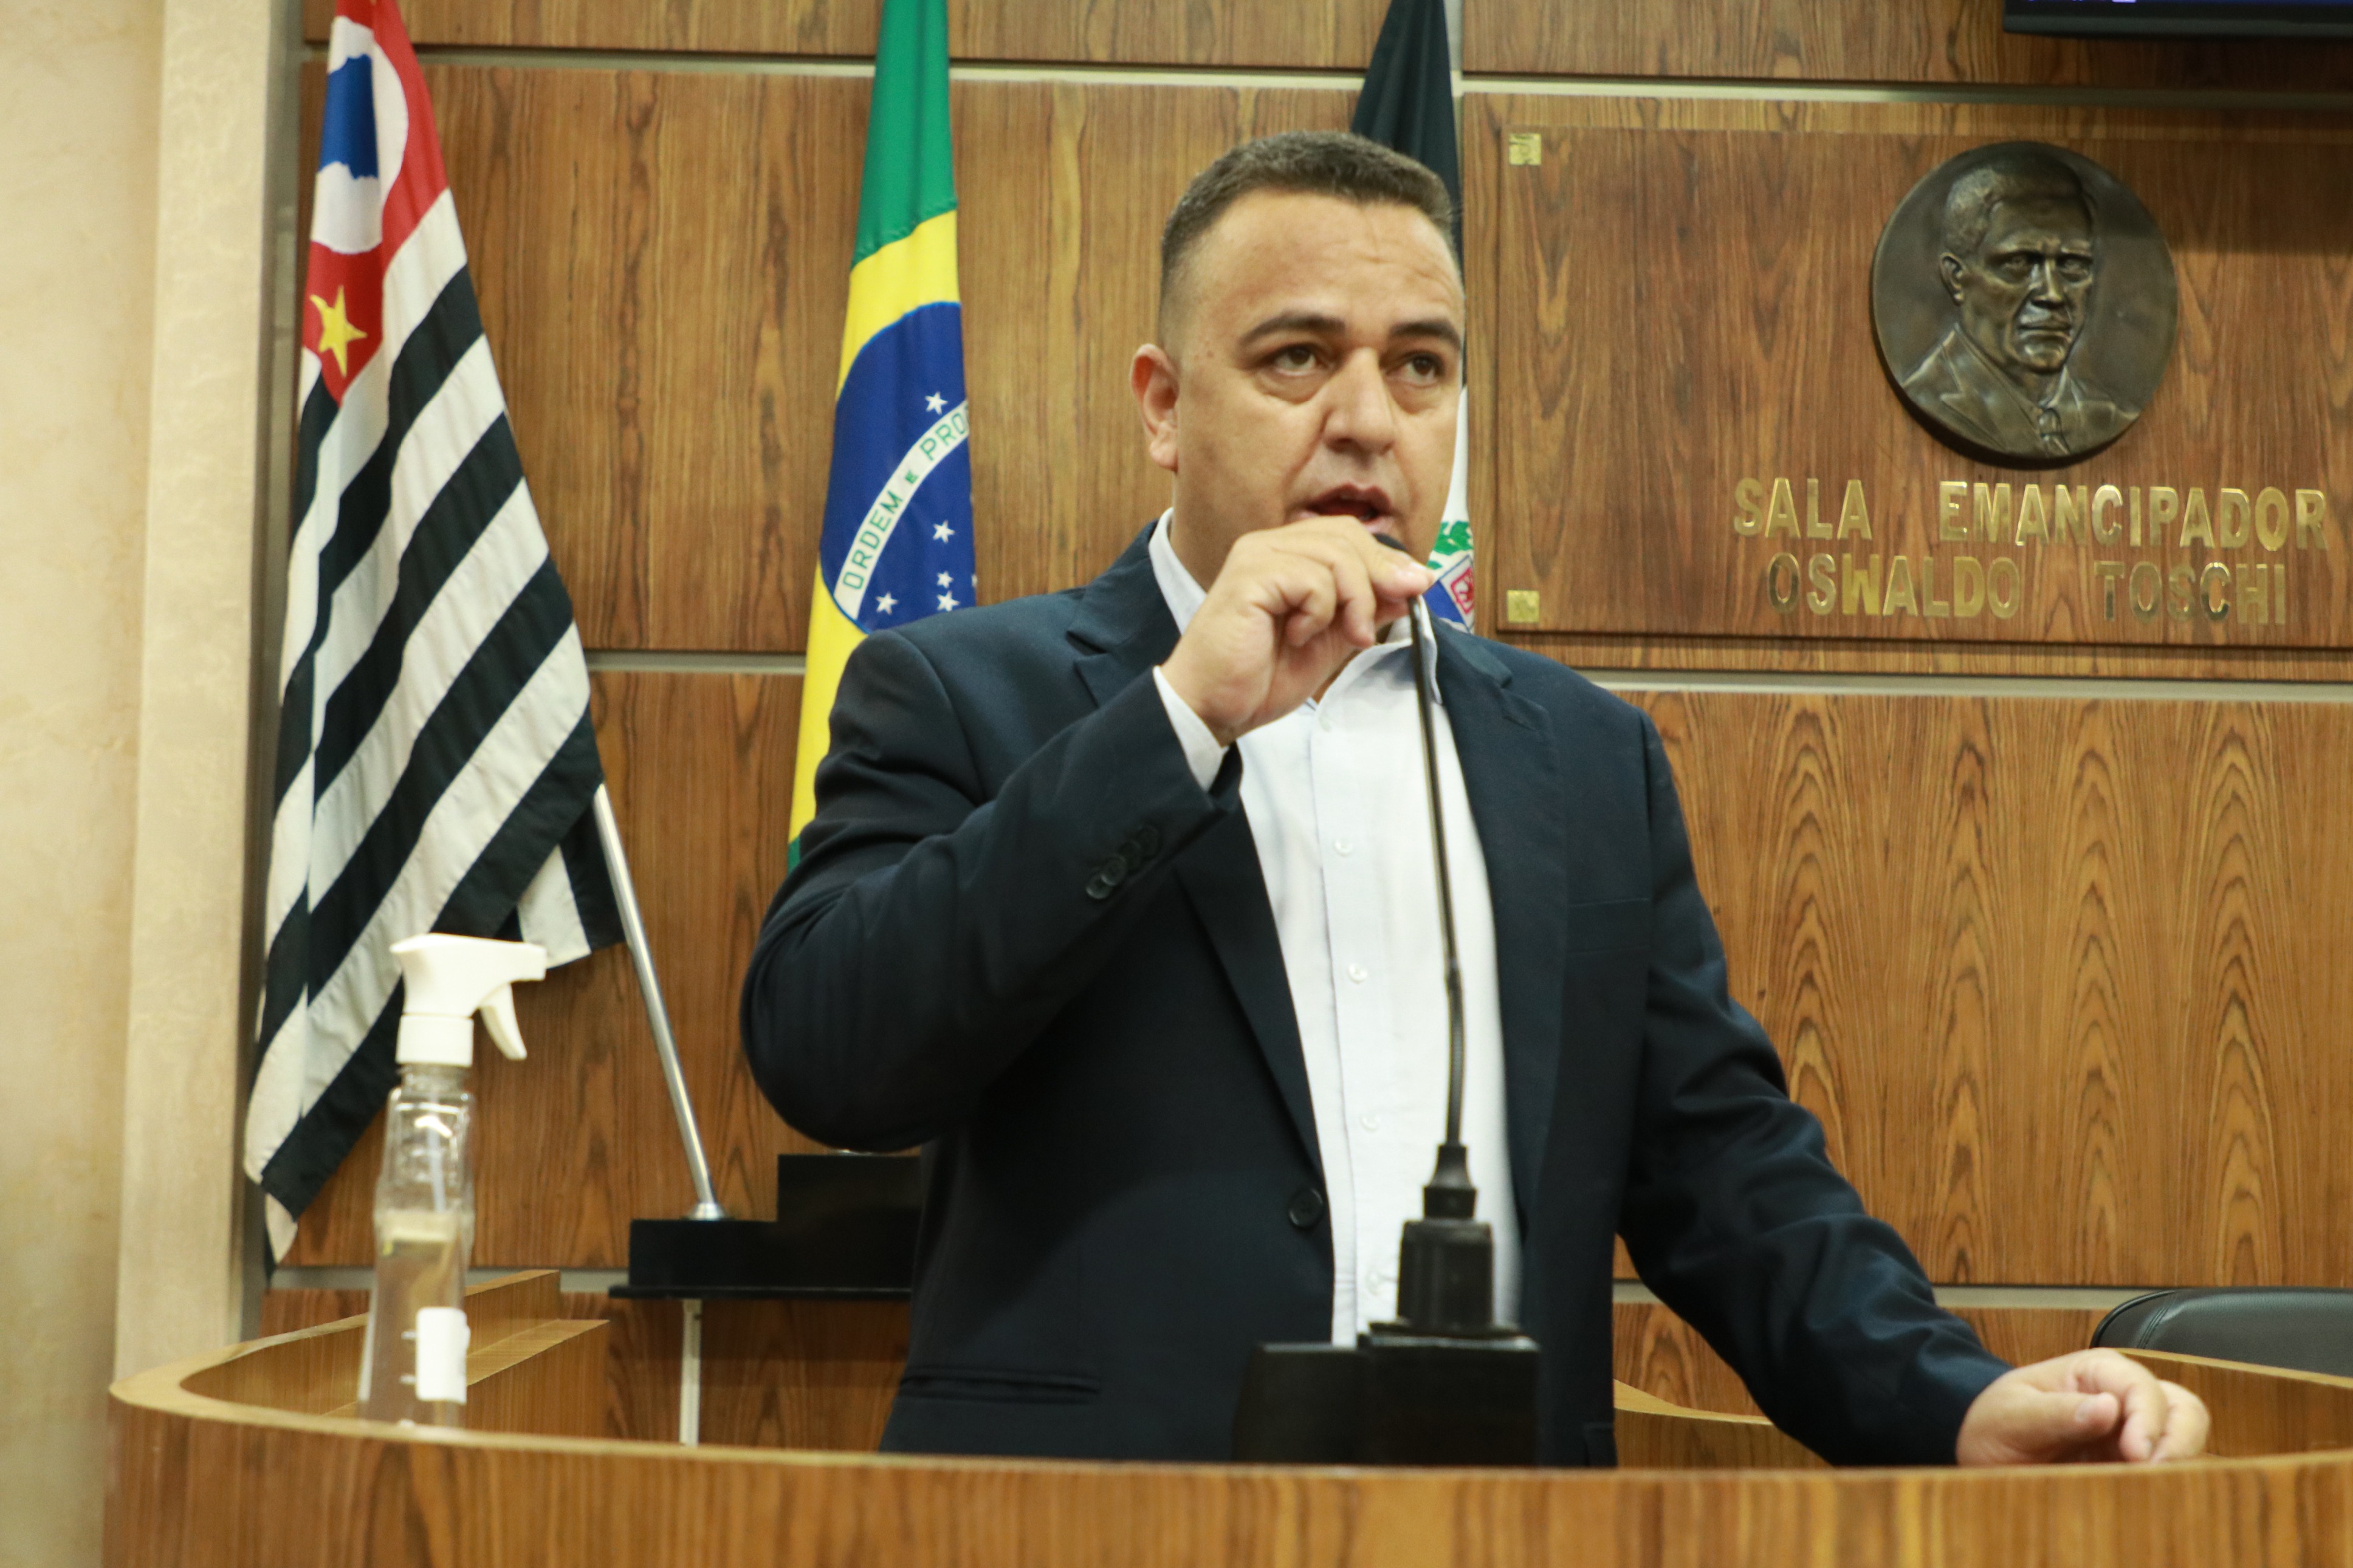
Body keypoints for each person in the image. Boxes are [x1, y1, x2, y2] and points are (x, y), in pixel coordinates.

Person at [742, 131, 2207, 1468]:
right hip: (1084, 1523)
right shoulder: (964, 692)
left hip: (1498, 1522)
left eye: (1420, 367)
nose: (1367, 420)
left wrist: (1951, 1397)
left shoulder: (1579, 754)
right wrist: (1178, 717)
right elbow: (831, 1050)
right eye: (1298, 358)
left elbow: (1721, 1168)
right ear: (1164, 407)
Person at [1901, 149, 2137, 459]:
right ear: (1956, 278)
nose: (2052, 294)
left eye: (2072, 264)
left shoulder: (2110, 418)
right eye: (2019, 263)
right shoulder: (1928, 398)